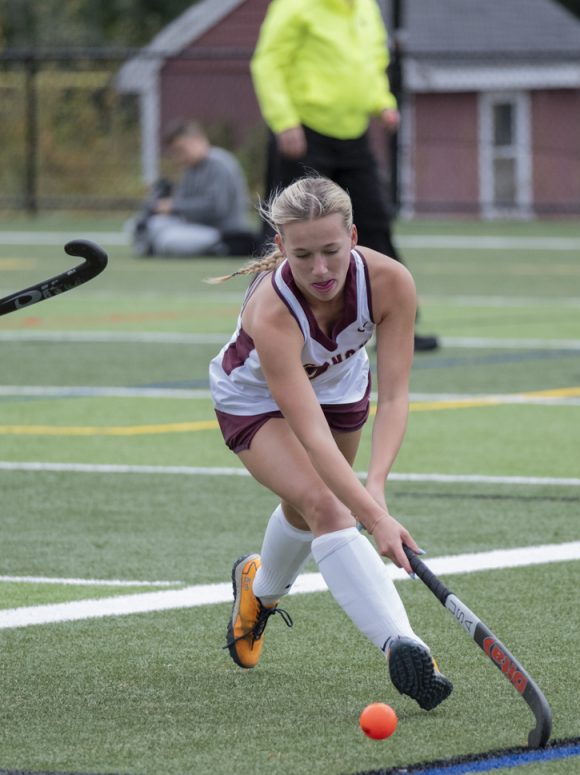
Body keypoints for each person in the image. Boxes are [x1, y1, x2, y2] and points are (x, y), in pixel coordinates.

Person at [208, 176, 452, 711]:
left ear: (354, 237)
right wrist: (373, 518)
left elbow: (394, 397)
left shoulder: (390, 282)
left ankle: (259, 592)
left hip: (342, 385)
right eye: (302, 256)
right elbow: (312, 437)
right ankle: (407, 647)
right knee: (324, 502)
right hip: (252, 399)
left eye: (331, 251)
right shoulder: (272, 313)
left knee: (307, 510)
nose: (320, 270)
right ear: (280, 249)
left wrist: (378, 489)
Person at [250, 0, 439, 351]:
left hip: (353, 133)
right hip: (303, 132)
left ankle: (400, 323)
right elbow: (268, 64)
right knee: (289, 231)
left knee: (375, 223)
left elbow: (372, 63)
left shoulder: (365, 7)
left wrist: (382, 101)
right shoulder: (295, 7)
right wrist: (284, 120)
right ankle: (268, 326)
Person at [128, 120, 256, 257]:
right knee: (139, 225)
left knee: (167, 240)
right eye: (175, 152)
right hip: (196, 227)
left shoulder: (219, 164)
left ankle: (220, 249)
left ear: (199, 140)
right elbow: (182, 203)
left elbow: (217, 208)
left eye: (181, 149)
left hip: (225, 233)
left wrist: (173, 207)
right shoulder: (191, 169)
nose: (178, 156)